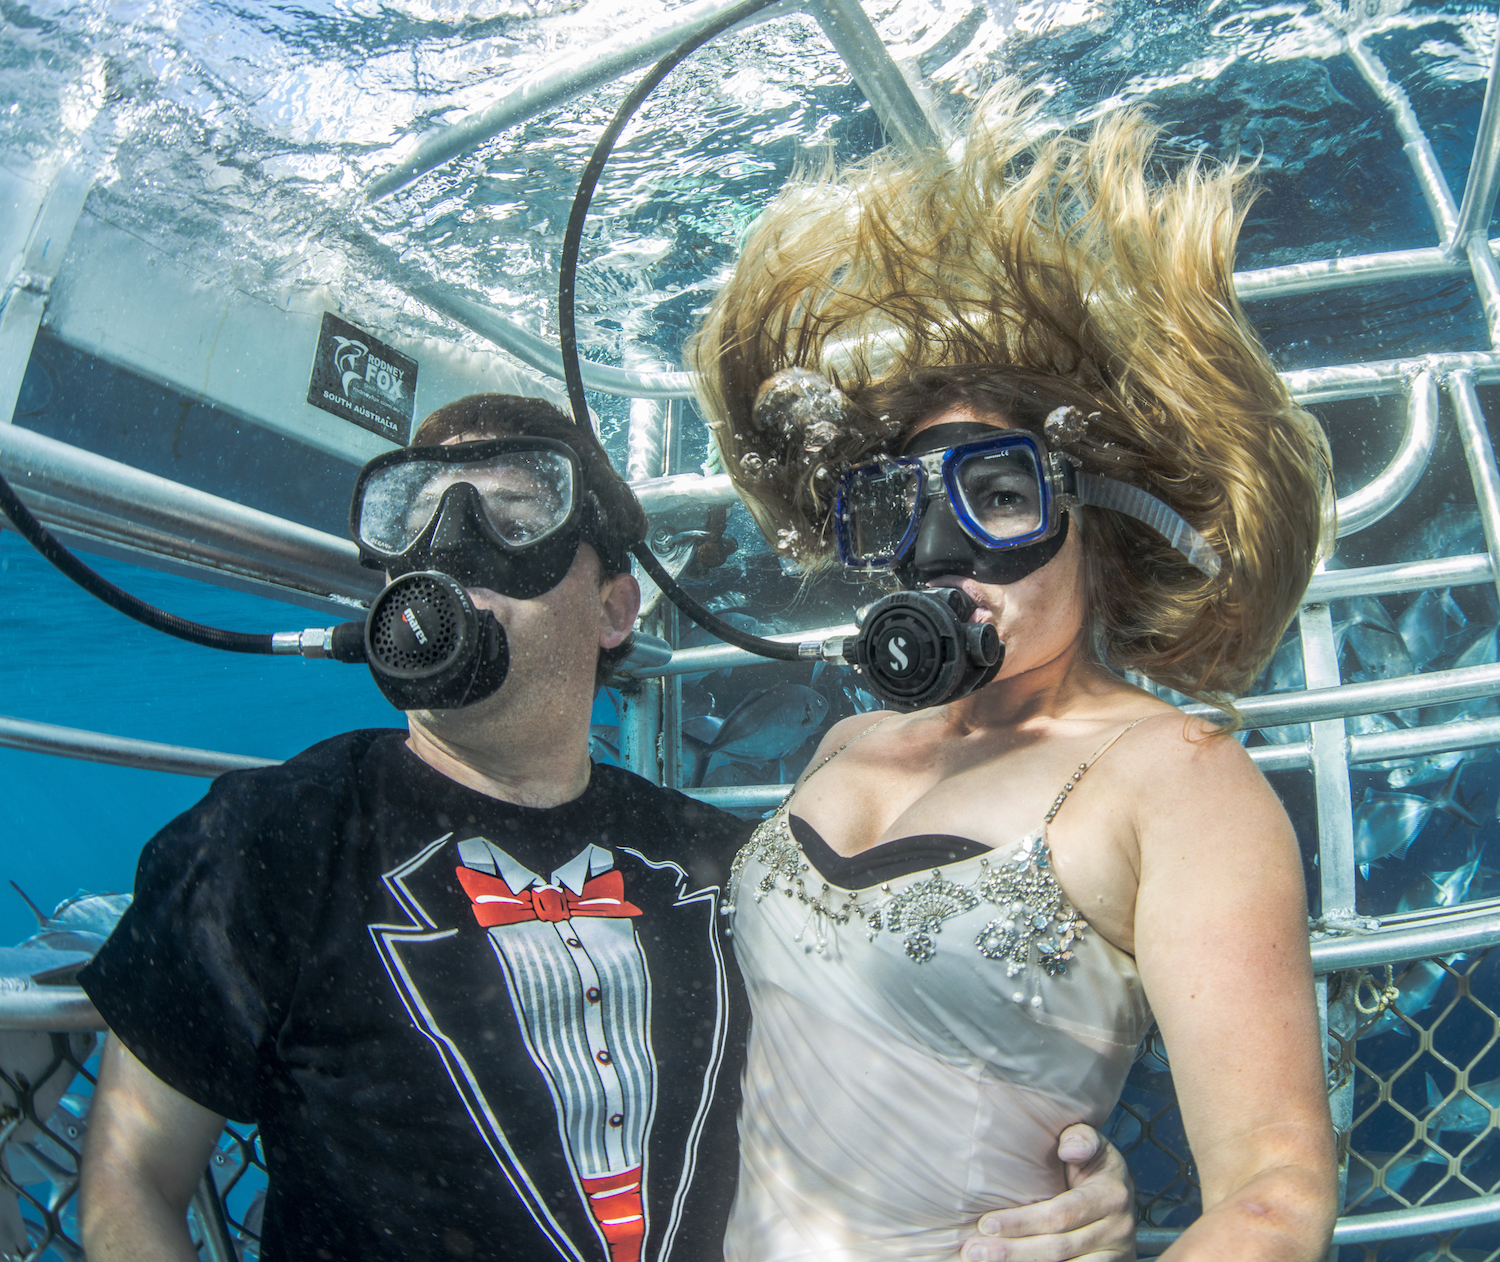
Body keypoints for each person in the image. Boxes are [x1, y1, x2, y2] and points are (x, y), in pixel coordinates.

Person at [76, 393, 1138, 1262]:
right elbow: (129, 1176)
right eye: (413, 512)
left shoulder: (730, 866)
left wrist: (1058, 1182)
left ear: (615, 608)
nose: (450, 546)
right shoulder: (269, 835)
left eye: (514, 506)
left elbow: (876, 1091)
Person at [687, 91, 1339, 1262]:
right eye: (902, 506)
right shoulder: (850, 742)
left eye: (997, 495)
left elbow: (1277, 1193)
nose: (946, 549)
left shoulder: (1176, 777)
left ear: (1095, 520)